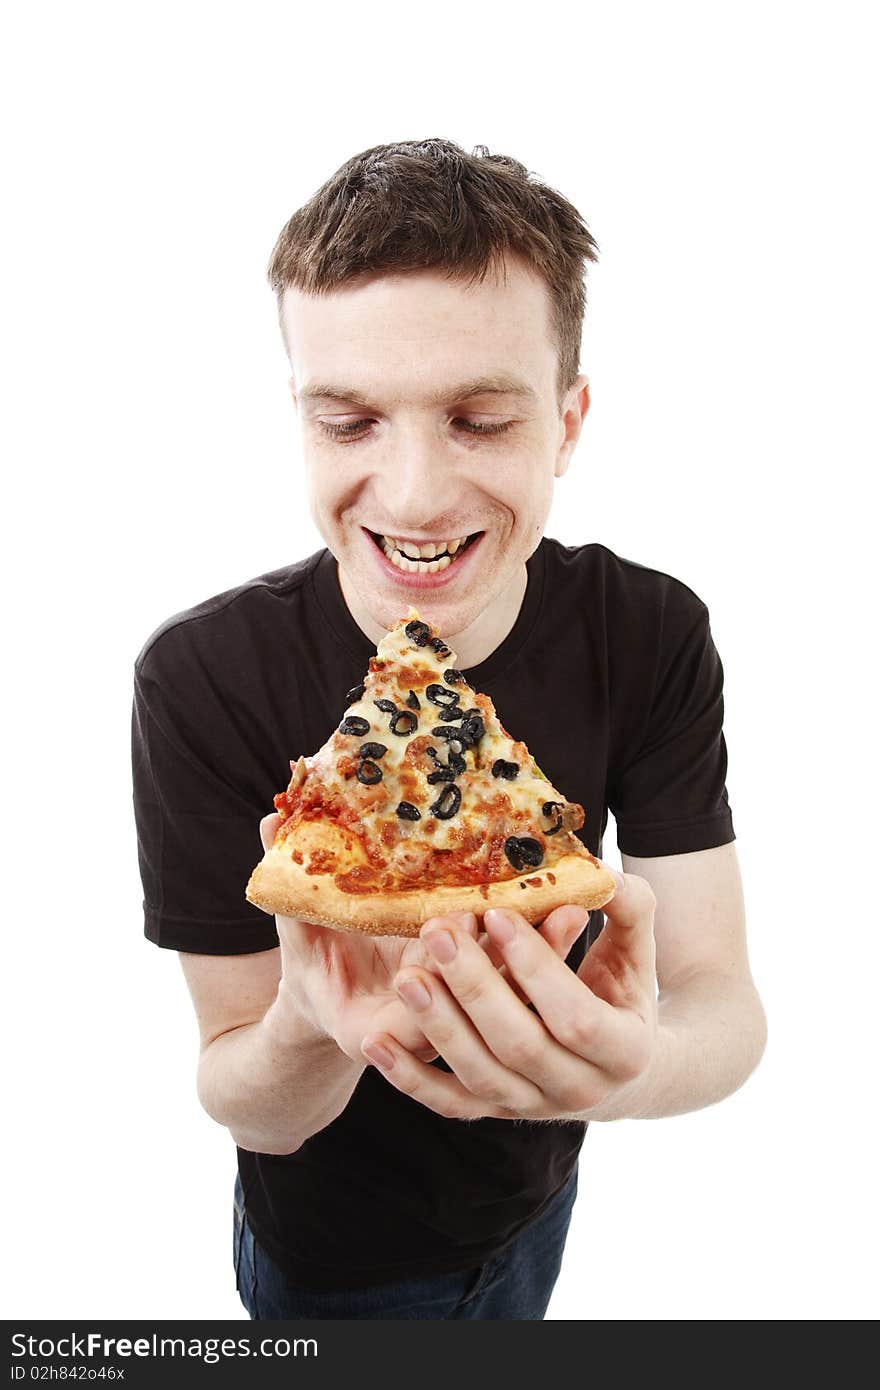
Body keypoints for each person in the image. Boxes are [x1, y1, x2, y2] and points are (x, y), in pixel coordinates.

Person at [131, 138, 767, 1320]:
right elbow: (237, 1087)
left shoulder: (652, 631)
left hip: (539, 1210)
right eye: (352, 420)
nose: (415, 492)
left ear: (567, 424)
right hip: (325, 1268)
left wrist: (630, 1073)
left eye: (478, 418)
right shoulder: (201, 675)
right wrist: (310, 1027)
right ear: (302, 421)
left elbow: (716, 990)